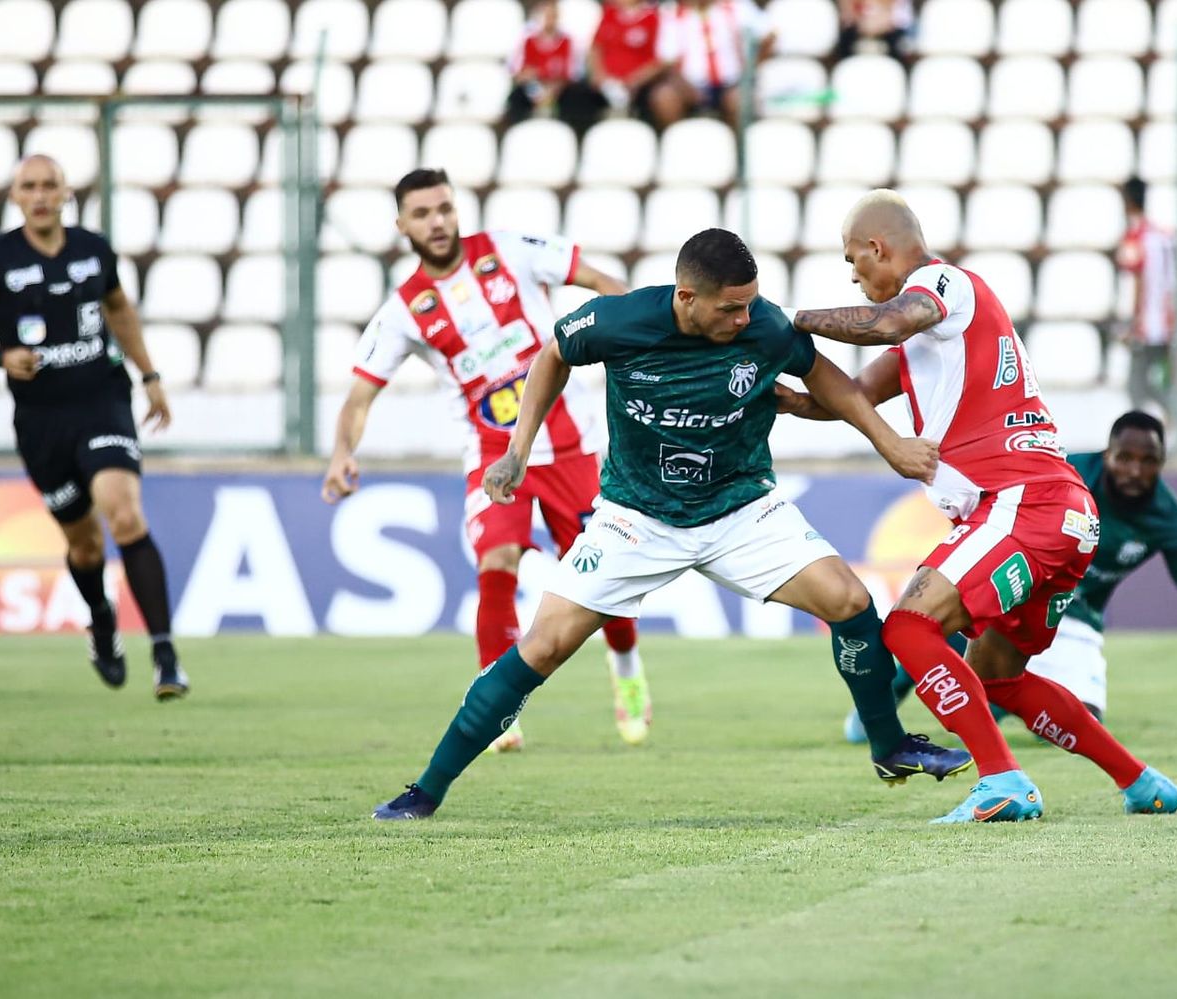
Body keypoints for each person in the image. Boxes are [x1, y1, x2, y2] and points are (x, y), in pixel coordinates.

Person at [369, 228, 972, 820]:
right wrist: (517, 449)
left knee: (848, 600)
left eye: (750, 303)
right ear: (687, 297)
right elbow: (553, 354)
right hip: (636, 518)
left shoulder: (760, 323)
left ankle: (889, 746)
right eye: (730, 308)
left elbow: (826, 379)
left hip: (741, 508)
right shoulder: (618, 321)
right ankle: (427, 789)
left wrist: (889, 443)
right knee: (544, 646)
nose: (744, 318)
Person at [782, 189, 1177, 823]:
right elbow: (841, 399)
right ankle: (1140, 782)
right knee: (998, 675)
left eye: (852, 261)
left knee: (908, 629)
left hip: (1019, 501)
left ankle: (1003, 780)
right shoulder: (929, 342)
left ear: (877, 248)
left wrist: (790, 317)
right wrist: (757, 381)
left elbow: (885, 321)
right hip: (1060, 511)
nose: (853, 276)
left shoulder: (946, 283)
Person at [321, 168, 649, 750]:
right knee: (496, 559)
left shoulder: (509, 249)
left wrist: (648, 331)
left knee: (604, 584)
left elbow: (599, 279)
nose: (437, 221)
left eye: (444, 208)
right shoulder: (404, 310)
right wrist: (342, 452)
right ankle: (498, 708)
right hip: (496, 456)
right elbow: (359, 396)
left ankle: (626, 673)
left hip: (574, 449)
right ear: (402, 226)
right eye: (422, 214)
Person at [840, 411, 1177, 742]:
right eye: (1125, 458)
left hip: (1077, 619)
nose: (1135, 471)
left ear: (1162, 463)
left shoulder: (1172, 524)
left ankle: (1001, 697)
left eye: (1149, 461)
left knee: (1082, 725)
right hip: (1021, 591)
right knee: (958, 613)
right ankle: (882, 701)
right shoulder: (1064, 473)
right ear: (1108, 455)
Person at [0, 155, 187, 699]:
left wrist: (149, 375)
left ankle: (165, 654)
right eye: (30, 186)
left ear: (66, 192)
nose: (41, 195)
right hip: (41, 423)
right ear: (16, 196)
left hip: (103, 401)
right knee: (85, 546)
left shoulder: (94, 249)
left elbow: (119, 309)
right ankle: (102, 621)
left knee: (123, 513)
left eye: (50, 185)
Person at [649, 0, 776, 129]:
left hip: (732, 82)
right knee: (664, 97)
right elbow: (667, 60)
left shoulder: (736, 6)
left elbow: (769, 35)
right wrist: (684, 86)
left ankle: (738, 145)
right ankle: (676, 141)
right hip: (691, 84)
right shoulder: (673, 13)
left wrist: (751, 68)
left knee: (737, 100)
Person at [1116, 176, 1177, 418]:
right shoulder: (1162, 235)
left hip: (1147, 323)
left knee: (1137, 387)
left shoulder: (1135, 237)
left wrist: (1133, 323)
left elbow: (1138, 282)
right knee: (1149, 384)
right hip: (1166, 319)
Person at [504, 0, 600, 135]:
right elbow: (515, 71)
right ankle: (516, 134)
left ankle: (574, 136)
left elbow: (574, 73)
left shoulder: (568, 41)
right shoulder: (526, 41)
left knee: (578, 97)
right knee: (516, 98)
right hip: (533, 87)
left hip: (560, 89)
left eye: (552, 15)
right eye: (545, 15)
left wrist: (555, 88)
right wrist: (532, 84)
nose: (549, 20)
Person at [587, 0, 670, 128]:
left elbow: (661, 60)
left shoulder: (654, 18)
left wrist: (633, 82)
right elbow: (596, 48)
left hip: (639, 87)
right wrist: (599, 75)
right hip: (605, 84)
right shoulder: (609, 14)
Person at [835, 0, 914, 62]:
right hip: (857, 31)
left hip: (889, 32)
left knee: (899, 43)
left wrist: (882, 23)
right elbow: (847, 15)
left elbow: (901, 19)